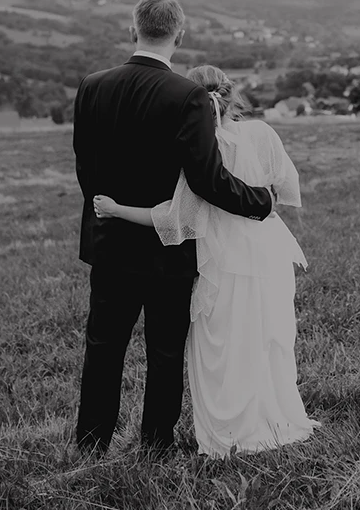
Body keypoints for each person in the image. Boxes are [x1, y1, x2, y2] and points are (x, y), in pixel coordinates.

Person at [72, 0, 275, 456]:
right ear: (179, 37)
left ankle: (89, 443)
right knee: (164, 354)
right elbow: (208, 179)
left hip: (109, 243)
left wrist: (107, 211)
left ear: (133, 31)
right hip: (168, 250)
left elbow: (85, 166)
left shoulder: (92, 85)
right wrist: (260, 202)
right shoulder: (188, 96)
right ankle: (156, 446)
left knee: (103, 347)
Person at [93, 64, 319, 457]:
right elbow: (285, 187)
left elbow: (173, 219)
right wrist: (262, 201)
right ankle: (277, 419)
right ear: (231, 96)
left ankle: (231, 434)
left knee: (224, 346)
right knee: (266, 337)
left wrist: (115, 209)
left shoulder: (197, 150)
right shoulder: (263, 133)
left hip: (224, 258)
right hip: (267, 251)